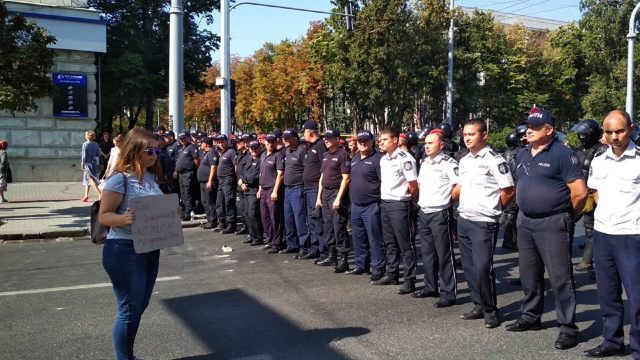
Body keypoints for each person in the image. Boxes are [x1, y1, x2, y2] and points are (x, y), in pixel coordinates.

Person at [505, 109, 587, 351]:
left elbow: (580, 193)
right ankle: (531, 317)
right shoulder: (522, 153)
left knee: (560, 278)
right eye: (527, 126)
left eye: (534, 126)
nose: (528, 130)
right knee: (529, 274)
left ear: (549, 130)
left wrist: (567, 216)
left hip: (553, 223)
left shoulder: (563, 154)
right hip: (526, 221)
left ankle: (567, 327)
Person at [98, 128, 165, 360]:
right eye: (150, 150)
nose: (154, 154)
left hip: (149, 249)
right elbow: (104, 216)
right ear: (135, 150)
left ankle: (128, 354)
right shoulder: (119, 179)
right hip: (124, 250)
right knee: (129, 310)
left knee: (139, 306)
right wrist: (124, 219)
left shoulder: (149, 177)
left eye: (157, 149)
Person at [585, 110, 640, 359]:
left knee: (637, 299)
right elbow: (595, 192)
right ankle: (612, 342)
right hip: (604, 234)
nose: (614, 136)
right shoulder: (599, 160)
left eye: (619, 131)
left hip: (632, 235)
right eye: (609, 132)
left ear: (631, 128)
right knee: (607, 294)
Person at [454, 118, 515, 329]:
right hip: (465, 219)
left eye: (472, 134)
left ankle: (491, 310)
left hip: (484, 222)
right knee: (470, 268)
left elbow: (508, 190)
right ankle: (478, 305)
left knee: (482, 268)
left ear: (484, 135)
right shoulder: (464, 160)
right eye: (465, 134)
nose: (467, 138)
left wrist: (494, 208)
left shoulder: (494, 160)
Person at [413, 132, 459, 307]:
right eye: (425, 143)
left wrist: (446, 202)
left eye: (431, 143)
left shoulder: (448, 163)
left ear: (441, 145)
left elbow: (458, 186)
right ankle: (430, 286)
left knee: (444, 254)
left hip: (440, 213)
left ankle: (448, 293)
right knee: (427, 253)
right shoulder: (424, 162)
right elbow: (420, 185)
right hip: (424, 212)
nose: (427, 145)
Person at [373, 127, 419, 295]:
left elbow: (413, 184)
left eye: (384, 139)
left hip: (400, 205)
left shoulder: (405, 159)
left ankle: (410, 279)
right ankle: (392, 273)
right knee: (389, 242)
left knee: (405, 244)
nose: (381, 142)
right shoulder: (384, 159)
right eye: (380, 140)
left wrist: (411, 200)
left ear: (394, 140)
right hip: (385, 203)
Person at [348, 130, 386, 281]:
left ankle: (377, 268)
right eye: (360, 141)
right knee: (358, 237)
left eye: (365, 141)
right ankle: (361, 265)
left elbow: (383, 182)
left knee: (374, 239)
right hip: (356, 205)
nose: (362, 143)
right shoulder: (355, 158)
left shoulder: (377, 159)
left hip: (372, 205)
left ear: (372, 142)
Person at [571, 119, 608, 272]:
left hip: (594, 194)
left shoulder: (602, 150)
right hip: (578, 192)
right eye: (579, 133)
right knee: (568, 224)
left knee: (591, 228)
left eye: (584, 133)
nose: (580, 136)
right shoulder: (579, 149)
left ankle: (589, 261)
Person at [316, 129, 351, 272]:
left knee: (339, 227)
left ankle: (343, 259)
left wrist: (338, 198)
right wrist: (319, 196)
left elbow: (346, 178)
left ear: (337, 139)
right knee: (328, 226)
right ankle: (332, 255)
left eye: (329, 138)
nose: (326, 140)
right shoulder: (325, 155)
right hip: (326, 193)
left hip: (337, 193)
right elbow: (322, 177)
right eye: (325, 138)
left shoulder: (343, 155)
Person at [282, 128, 310, 257]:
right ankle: (291, 244)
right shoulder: (287, 151)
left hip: (298, 188)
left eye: (287, 138)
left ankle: (304, 246)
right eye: (283, 138)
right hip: (287, 189)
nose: (284, 140)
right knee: (289, 219)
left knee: (300, 219)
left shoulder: (302, 150)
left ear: (294, 138)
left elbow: (306, 170)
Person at [302, 121, 326, 260]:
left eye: (304, 132)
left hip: (316, 189)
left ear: (310, 133)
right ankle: (315, 247)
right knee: (311, 220)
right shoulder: (310, 147)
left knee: (318, 220)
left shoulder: (320, 146)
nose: (303, 135)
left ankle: (323, 251)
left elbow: (324, 169)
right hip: (308, 188)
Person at [258, 133, 285, 253]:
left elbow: (280, 174)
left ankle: (276, 243)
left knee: (275, 217)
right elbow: (261, 174)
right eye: (268, 141)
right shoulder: (263, 155)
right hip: (263, 190)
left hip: (272, 190)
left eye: (273, 141)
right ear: (264, 142)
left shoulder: (278, 156)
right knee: (265, 217)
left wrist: (275, 191)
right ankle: (269, 240)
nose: (270, 144)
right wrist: (259, 189)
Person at [213, 134, 237, 233]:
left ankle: (231, 224)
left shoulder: (231, 152)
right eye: (219, 142)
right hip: (221, 180)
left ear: (227, 141)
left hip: (228, 179)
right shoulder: (222, 153)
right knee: (219, 202)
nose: (220, 144)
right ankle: (222, 223)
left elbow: (236, 166)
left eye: (222, 141)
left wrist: (235, 179)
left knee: (229, 202)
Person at [501, 132, 521, 251]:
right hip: (514, 186)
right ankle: (510, 240)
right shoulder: (518, 154)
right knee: (512, 214)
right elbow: (516, 172)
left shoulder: (503, 154)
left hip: (506, 186)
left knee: (510, 213)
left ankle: (510, 239)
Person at [242, 140, 264, 246]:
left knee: (253, 214)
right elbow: (242, 172)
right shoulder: (248, 159)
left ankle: (258, 237)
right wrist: (242, 182)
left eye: (256, 148)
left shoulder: (261, 159)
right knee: (247, 214)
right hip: (246, 190)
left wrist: (245, 180)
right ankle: (251, 235)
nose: (254, 150)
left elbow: (256, 176)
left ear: (259, 148)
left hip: (254, 190)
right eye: (252, 148)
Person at [174, 130, 199, 221]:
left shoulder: (191, 147)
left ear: (188, 138)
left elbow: (196, 160)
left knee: (188, 193)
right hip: (181, 174)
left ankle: (188, 212)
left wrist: (193, 169)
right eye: (181, 139)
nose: (182, 140)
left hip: (188, 173)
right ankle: (185, 210)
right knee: (183, 193)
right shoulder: (181, 148)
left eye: (184, 138)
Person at [197, 137, 219, 229]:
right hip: (203, 182)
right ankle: (209, 219)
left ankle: (213, 220)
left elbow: (213, 167)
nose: (200, 145)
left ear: (206, 144)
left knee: (210, 202)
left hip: (208, 182)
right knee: (204, 201)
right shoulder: (205, 153)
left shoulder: (212, 152)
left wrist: (210, 181)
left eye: (201, 143)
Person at [234, 134, 252, 235]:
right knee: (242, 208)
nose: (237, 144)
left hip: (246, 185)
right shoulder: (239, 153)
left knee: (248, 209)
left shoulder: (250, 154)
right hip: (239, 184)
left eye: (239, 142)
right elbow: (237, 167)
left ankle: (251, 229)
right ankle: (245, 226)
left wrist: (243, 181)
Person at [81, 130, 102, 202]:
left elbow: (84, 156)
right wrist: (98, 163)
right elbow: (98, 154)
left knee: (90, 179)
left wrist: (82, 164)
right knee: (88, 179)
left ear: (87, 136)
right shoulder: (96, 144)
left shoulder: (85, 144)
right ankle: (86, 195)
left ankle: (100, 194)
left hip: (88, 164)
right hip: (94, 163)